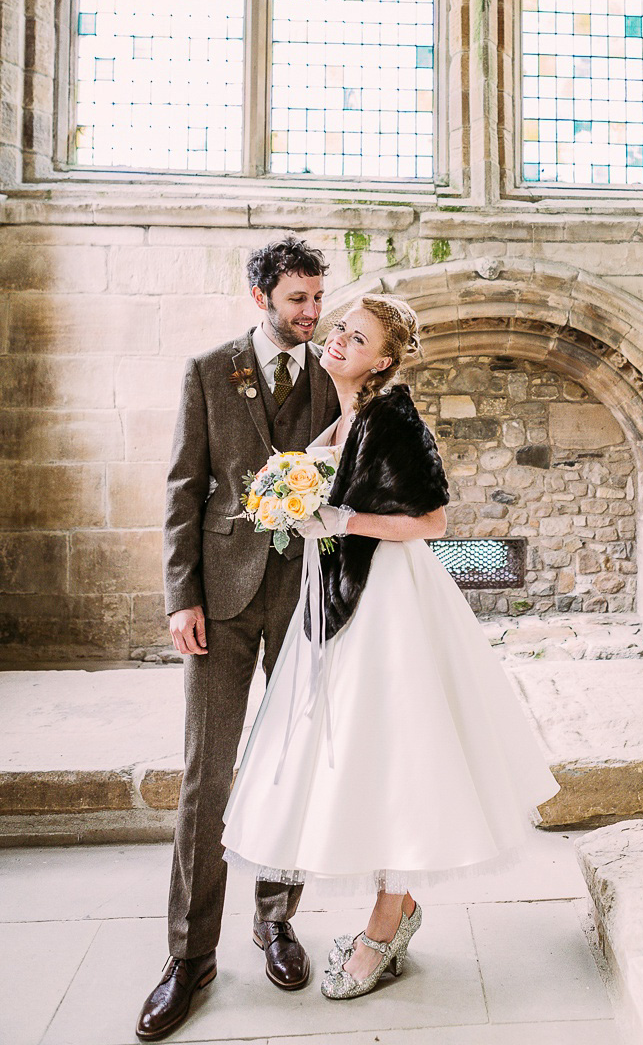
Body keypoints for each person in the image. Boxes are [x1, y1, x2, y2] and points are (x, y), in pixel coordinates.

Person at [221, 294, 560, 1000]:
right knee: (364, 757)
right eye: (339, 328)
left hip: (391, 604)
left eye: (357, 336)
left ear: (382, 360)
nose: (339, 338)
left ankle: (384, 922)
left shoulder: (392, 416)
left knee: (398, 754)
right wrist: (294, 510)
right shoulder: (346, 418)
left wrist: (341, 517)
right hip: (344, 602)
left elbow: (432, 519)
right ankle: (396, 906)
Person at [136, 235, 341, 1043]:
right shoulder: (208, 369)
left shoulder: (335, 371)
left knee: (291, 766)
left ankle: (276, 919)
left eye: (319, 298)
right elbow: (184, 487)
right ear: (261, 298)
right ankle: (190, 957)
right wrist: (180, 595)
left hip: (304, 596)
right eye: (298, 300)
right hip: (219, 598)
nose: (314, 312)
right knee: (207, 776)